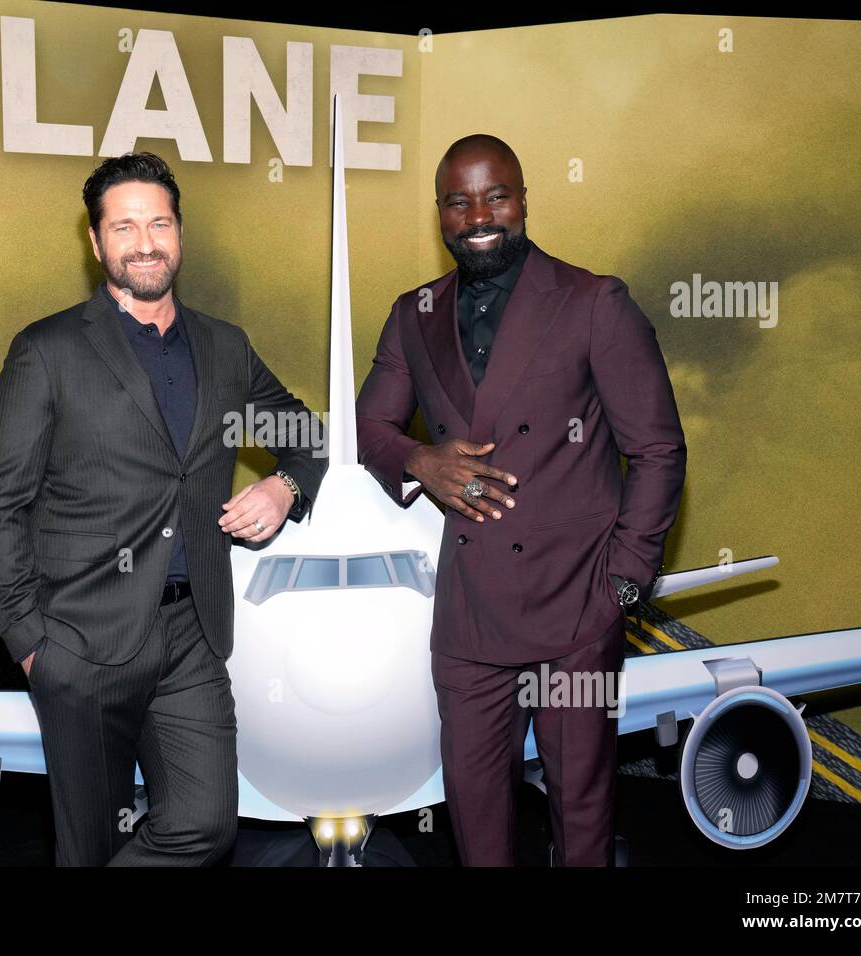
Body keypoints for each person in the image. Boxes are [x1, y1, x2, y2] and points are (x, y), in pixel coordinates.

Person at [0, 152, 327, 865]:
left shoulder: (225, 347)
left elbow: (306, 435)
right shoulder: (46, 351)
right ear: (97, 243)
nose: (145, 242)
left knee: (205, 826)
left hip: (193, 633)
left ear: (180, 233)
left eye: (158, 222)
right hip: (80, 640)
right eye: (124, 225)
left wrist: (283, 487)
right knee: (89, 844)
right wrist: (33, 645)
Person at [356, 134, 686, 865]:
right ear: (439, 212)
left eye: (495, 195)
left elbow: (658, 450)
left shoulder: (593, 301)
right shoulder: (413, 314)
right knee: (477, 830)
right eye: (457, 200)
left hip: (576, 612)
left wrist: (622, 586)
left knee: (581, 820)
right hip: (470, 621)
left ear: (525, 199)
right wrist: (419, 459)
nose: (478, 214)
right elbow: (370, 426)